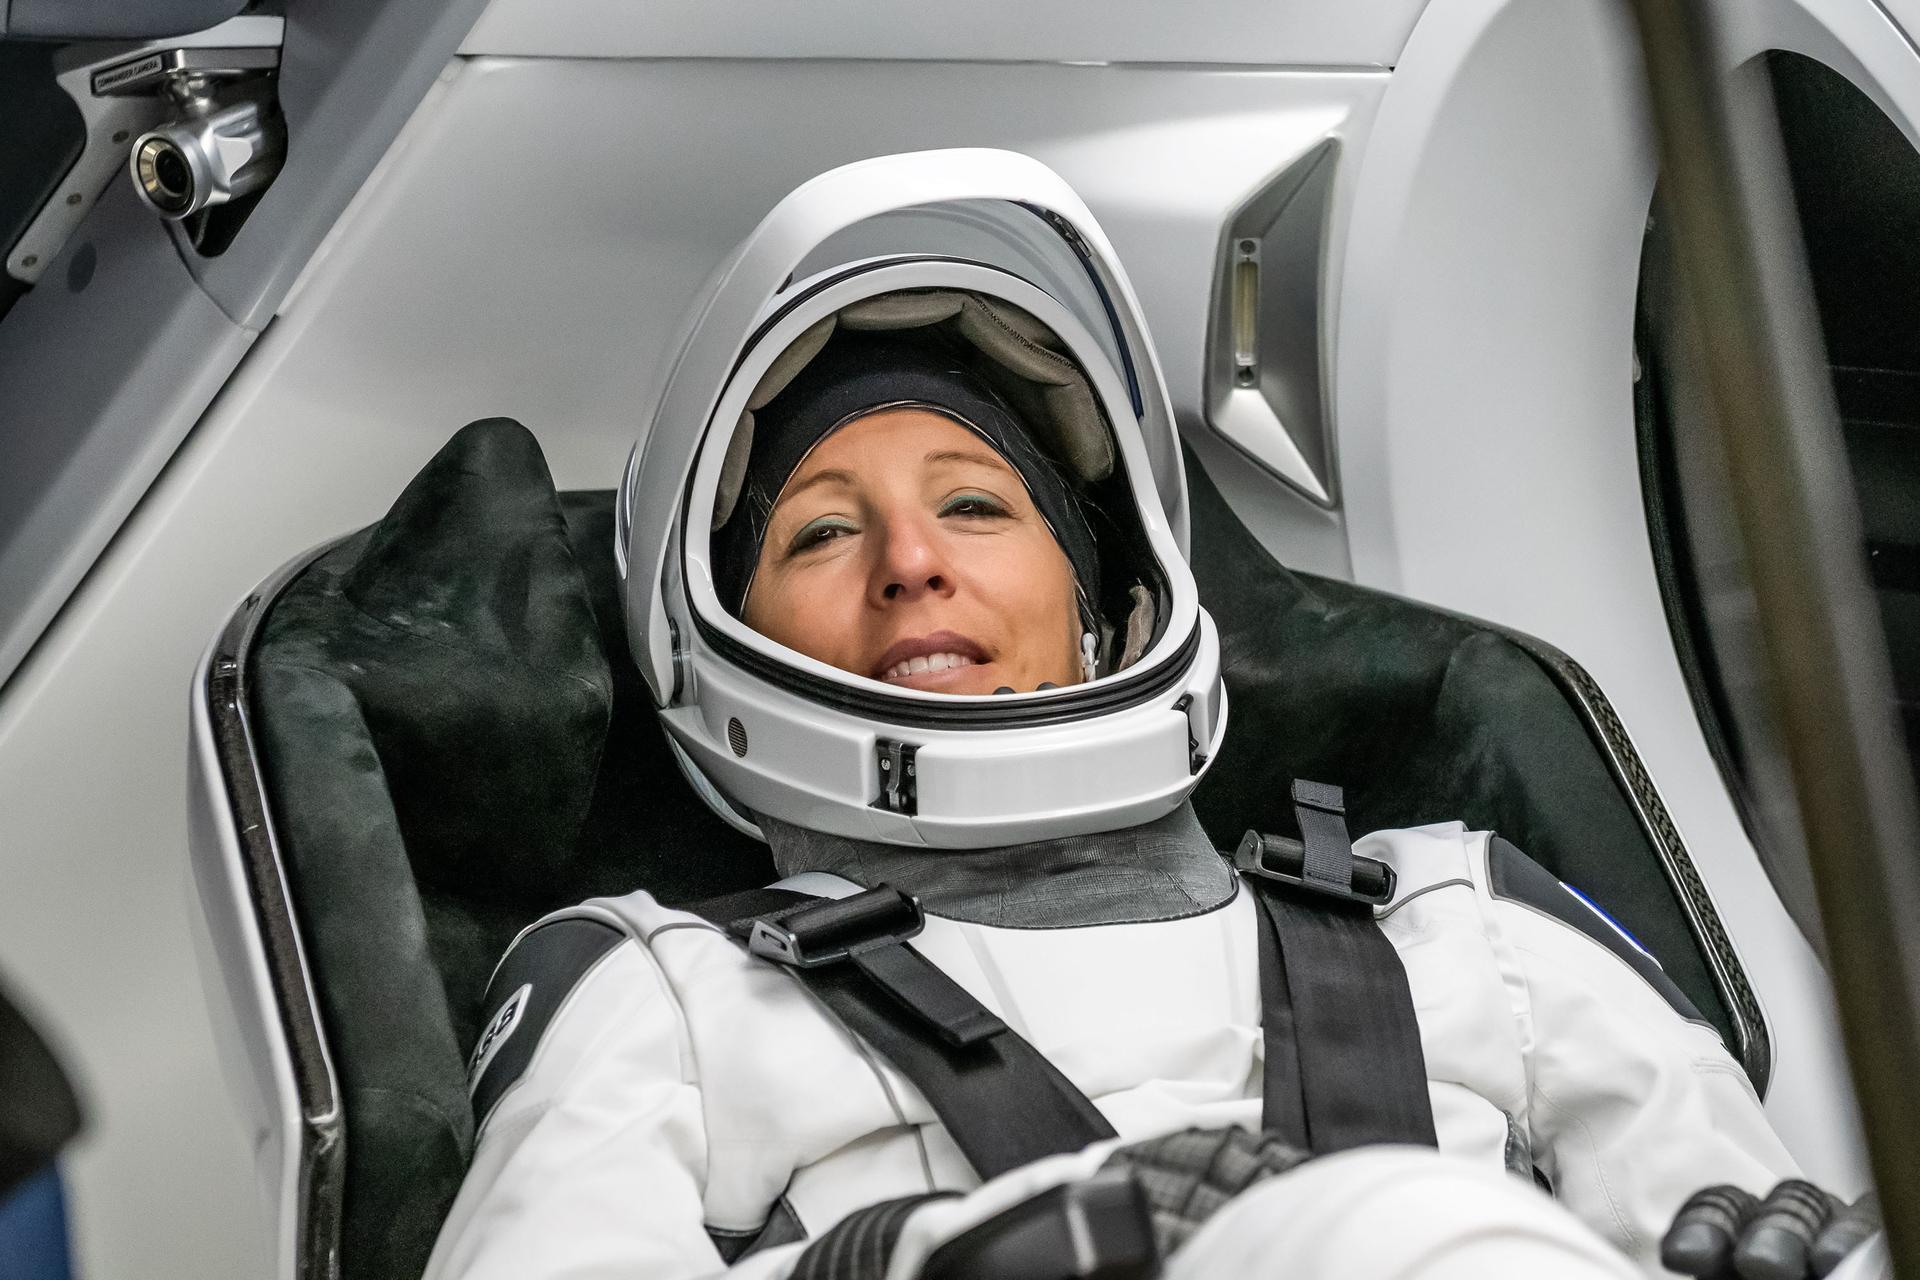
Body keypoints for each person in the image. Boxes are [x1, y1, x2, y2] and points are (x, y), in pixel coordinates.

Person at [423, 150, 1871, 1280]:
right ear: (718, 637)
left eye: (977, 504)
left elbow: (1728, 1212)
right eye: (817, 532)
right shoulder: (666, 990)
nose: (911, 559)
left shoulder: (1458, 915)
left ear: (1106, 597)